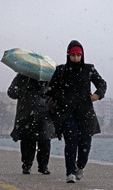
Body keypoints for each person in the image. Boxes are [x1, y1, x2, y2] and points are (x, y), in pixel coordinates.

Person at [46, 40, 107, 183]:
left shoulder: (89, 69)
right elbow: (50, 89)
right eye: (73, 55)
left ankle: (80, 166)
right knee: (71, 142)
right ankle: (70, 172)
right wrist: (61, 98)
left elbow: (102, 83)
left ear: (82, 55)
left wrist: (97, 95)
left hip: (85, 112)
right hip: (67, 113)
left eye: (78, 55)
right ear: (68, 55)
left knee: (85, 144)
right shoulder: (60, 70)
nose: (76, 58)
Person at [8, 74, 54, 175]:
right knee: (27, 140)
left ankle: (43, 166)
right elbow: (11, 93)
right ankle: (27, 165)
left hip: (43, 113)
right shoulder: (21, 77)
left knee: (45, 140)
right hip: (26, 112)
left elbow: (53, 93)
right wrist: (22, 90)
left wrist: (44, 92)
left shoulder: (47, 78)